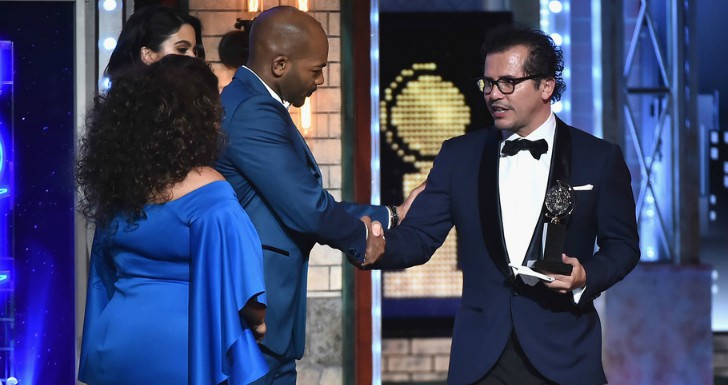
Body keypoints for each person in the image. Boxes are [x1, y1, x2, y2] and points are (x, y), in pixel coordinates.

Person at [364, 24, 640, 385]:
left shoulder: (598, 159)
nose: (494, 94)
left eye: (508, 82)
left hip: (564, 354)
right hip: (481, 356)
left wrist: (585, 275)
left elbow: (623, 247)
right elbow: (420, 236)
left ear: (546, 86)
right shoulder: (459, 156)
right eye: (488, 83)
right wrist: (378, 247)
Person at [214, 6, 421, 384]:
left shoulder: (252, 104)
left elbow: (302, 201)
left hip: (268, 322)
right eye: (315, 69)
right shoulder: (251, 112)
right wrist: (362, 238)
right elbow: (307, 208)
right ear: (280, 65)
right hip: (251, 317)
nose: (321, 79)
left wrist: (391, 215)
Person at [77, 55, 268, 385]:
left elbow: (102, 276)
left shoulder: (122, 188)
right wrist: (259, 324)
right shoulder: (211, 193)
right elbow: (249, 298)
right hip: (183, 351)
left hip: (117, 342)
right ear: (199, 119)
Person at [105, 5, 204, 83]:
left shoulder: (197, 100)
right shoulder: (129, 105)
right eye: (182, 49)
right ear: (147, 55)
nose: (193, 57)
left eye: (195, 51)